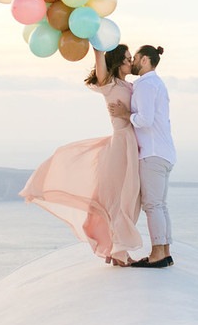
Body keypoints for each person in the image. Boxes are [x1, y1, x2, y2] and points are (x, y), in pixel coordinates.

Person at [19, 45, 142, 266]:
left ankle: (115, 250)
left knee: (130, 198)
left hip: (131, 145)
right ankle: (119, 252)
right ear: (116, 62)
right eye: (126, 58)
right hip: (121, 144)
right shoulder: (109, 84)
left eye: (130, 58)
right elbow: (99, 56)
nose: (130, 61)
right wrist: (98, 45)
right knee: (119, 199)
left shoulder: (131, 85)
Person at [109, 45, 176, 268]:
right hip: (164, 153)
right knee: (160, 205)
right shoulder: (157, 83)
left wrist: (124, 114)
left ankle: (158, 253)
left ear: (145, 60)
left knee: (153, 205)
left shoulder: (146, 85)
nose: (133, 62)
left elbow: (145, 120)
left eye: (135, 58)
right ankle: (164, 252)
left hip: (152, 153)